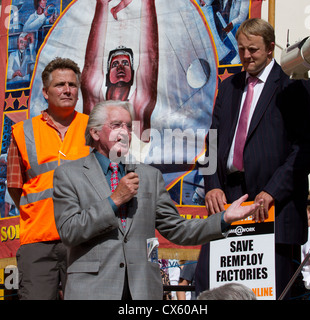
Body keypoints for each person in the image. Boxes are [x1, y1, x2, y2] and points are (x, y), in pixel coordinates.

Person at [52, 99, 262, 300]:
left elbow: (178, 229)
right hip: (93, 290)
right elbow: (69, 231)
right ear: (95, 132)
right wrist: (114, 201)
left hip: (142, 290)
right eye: (116, 125)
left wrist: (224, 218)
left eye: (128, 126)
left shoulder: (149, 176)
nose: (124, 132)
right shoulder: (70, 175)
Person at [198, 18, 310, 299]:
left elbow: (307, 149)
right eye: (241, 50)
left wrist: (272, 191)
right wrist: (212, 183)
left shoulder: (294, 83)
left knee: (270, 291)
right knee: (208, 284)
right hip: (230, 200)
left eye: (253, 49)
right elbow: (212, 144)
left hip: (275, 206)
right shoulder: (228, 88)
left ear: (270, 48)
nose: (247, 56)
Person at [7, 57, 90, 300]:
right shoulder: (23, 132)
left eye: (72, 85)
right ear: (45, 92)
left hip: (85, 239)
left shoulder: (94, 128)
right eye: (60, 85)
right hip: (38, 241)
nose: (67, 90)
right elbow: (15, 187)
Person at [81, 0, 158, 142]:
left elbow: (150, 56)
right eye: (115, 64)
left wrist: (148, 2)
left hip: (133, 163)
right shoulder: (95, 105)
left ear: (134, 73)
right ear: (107, 73)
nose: (121, 67)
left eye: (125, 63)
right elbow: (92, 61)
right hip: (98, 163)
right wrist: (102, 5)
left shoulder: (139, 104)